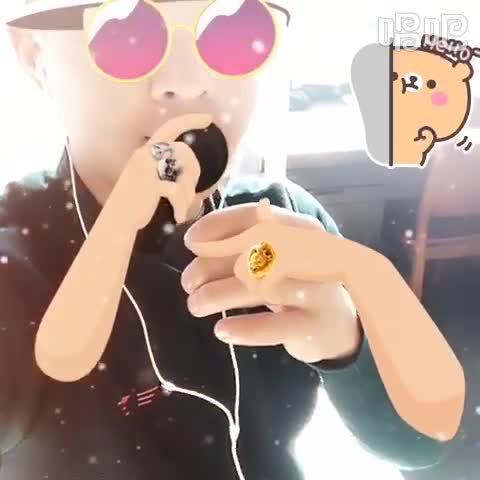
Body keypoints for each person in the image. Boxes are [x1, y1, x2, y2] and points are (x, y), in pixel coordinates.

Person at [0, 1, 445, 479]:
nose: (189, 80)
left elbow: (419, 443)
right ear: (35, 54)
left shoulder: (287, 217)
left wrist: (346, 343)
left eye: (234, 26)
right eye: (124, 30)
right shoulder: (16, 257)